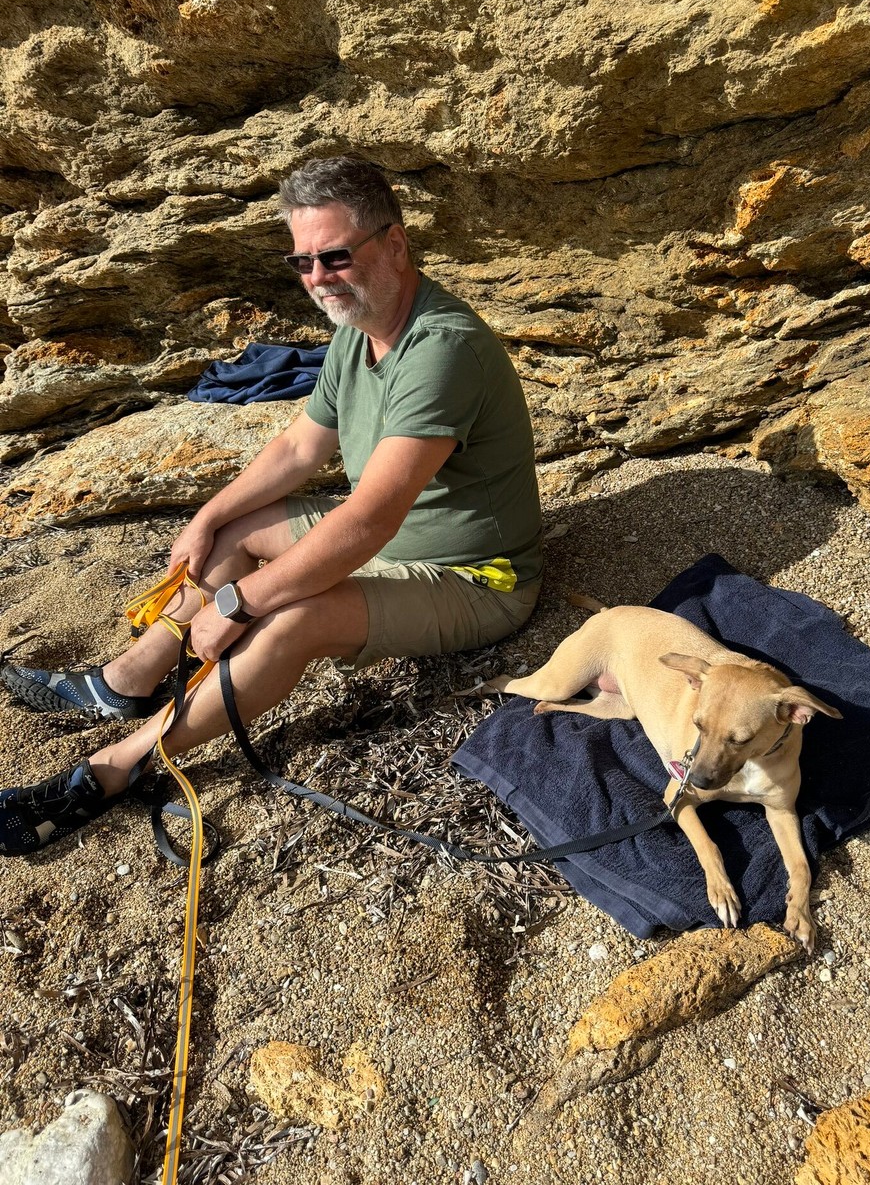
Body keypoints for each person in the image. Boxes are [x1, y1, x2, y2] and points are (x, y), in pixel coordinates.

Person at [0, 156, 543, 856]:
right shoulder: (360, 331)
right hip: (404, 539)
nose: (319, 279)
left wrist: (240, 603)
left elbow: (370, 518)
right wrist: (206, 520)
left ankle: (121, 764)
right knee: (238, 528)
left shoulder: (441, 350)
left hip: (477, 577)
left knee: (295, 615)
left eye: (336, 256)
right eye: (304, 263)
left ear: (396, 244)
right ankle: (128, 683)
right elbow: (296, 450)